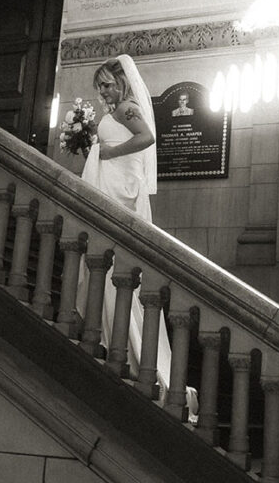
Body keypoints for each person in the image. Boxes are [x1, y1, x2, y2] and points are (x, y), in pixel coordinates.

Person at [79, 55, 198, 420]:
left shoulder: (129, 108)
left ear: (122, 83)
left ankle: (126, 346)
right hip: (110, 183)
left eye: (108, 84)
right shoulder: (116, 110)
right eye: (100, 86)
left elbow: (146, 138)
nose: (104, 91)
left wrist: (110, 151)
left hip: (121, 188)